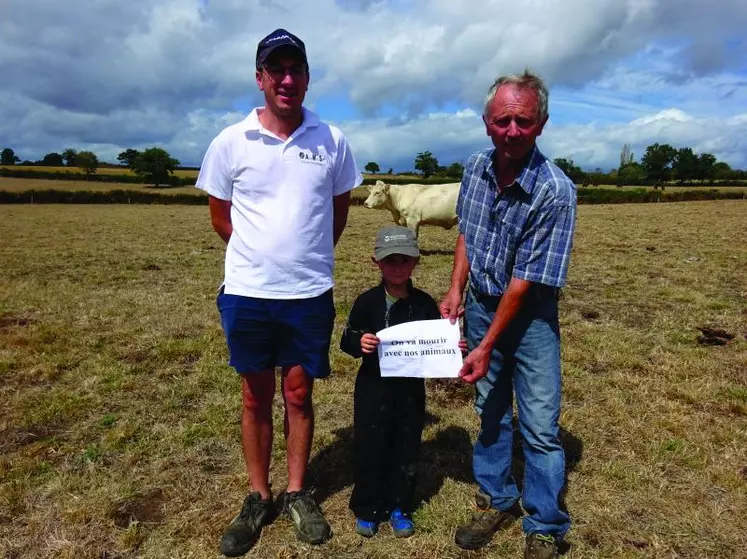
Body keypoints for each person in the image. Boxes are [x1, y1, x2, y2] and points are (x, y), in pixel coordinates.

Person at [195, 28, 362, 557]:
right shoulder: (230, 141)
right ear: (261, 77)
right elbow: (221, 217)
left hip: (309, 293)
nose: (287, 79)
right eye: (277, 70)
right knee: (254, 396)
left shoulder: (332, 141)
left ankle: (296, 492)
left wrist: (302, 257)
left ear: (308, 78)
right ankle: (258, 496)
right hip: (247, 292)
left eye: (297, 70)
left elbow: (337, 213)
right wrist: (263, 257)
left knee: (298, 394)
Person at [439, 71, 577, 559]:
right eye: (503, 120)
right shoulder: (476, 167)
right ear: (486, 123)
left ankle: (544, 523)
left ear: (541, 124)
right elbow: (468, 234)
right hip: (481, 302)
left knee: (539, 424)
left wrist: (485, 344)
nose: (512, 130)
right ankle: (497, 496)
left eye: (524, 120)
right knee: (489, 408)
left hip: (530, 315)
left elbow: (524, 282)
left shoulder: (554, 191)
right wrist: (457, 288)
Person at [339, 226, 447, 538]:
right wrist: (360, 342)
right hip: (372, 388)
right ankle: (368, 507)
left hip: (410, 392)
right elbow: (346, 340)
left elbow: (437, 344)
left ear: (416, 261)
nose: (397, 267)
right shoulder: (366, 302)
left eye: (404, 260)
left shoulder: (425, 304)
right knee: (369, 446)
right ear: (376, 262)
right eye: (390, 260)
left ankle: (400, 505)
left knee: (406, 446)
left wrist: (453, 348)